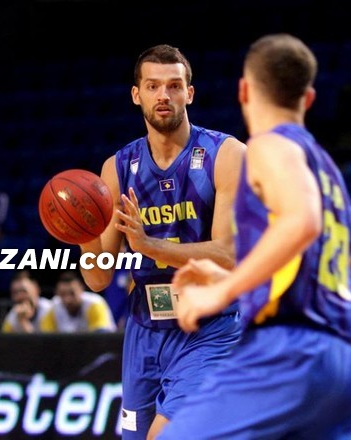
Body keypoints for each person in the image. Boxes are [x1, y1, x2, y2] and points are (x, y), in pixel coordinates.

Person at [158, 34, 351, 439]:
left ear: (243, 90)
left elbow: (302, 221)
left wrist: (219, 295)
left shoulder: (268, 146)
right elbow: (305, 266)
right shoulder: (326, 167)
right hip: (347, 366)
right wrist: (231, 280)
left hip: (291, 354)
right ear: (308, 98)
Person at [77, 44, 246, 439]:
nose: (163, 95)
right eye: (152, 86)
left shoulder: (227, 154)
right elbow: (98, 280)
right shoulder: (116, 168)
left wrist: (149, 246)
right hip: (145, 330)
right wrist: (83, 236)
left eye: (173, 85)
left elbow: (228, 255)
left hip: (211, 327)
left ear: (190, 93)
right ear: (137, 95)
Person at [40, 271, 116, 333]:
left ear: (81, 290)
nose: (67, 299)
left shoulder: (94, 304)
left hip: (104, 348)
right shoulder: (54, 307)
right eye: (63, 294)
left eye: (72, 293)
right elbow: (46, 337)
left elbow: (100, 337)